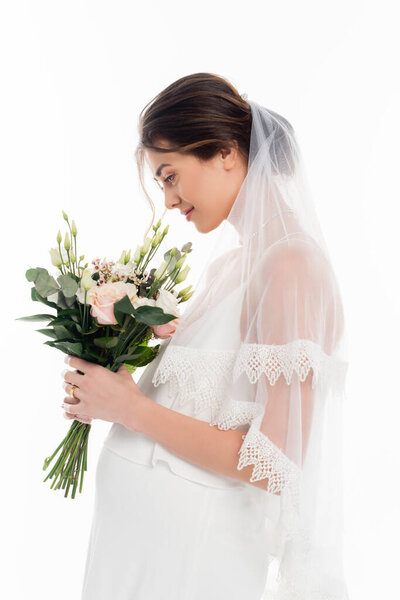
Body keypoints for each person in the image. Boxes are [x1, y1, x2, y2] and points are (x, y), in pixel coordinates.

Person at [61, 73, 350, 599]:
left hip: (191, 563)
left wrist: (128, 410)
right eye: (161, 184)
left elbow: (274, 462)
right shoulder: (233, 268)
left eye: (170, 176)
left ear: (224, 153)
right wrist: (112, 378)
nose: (169, 201)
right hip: (140, 554)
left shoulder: (291, 267)